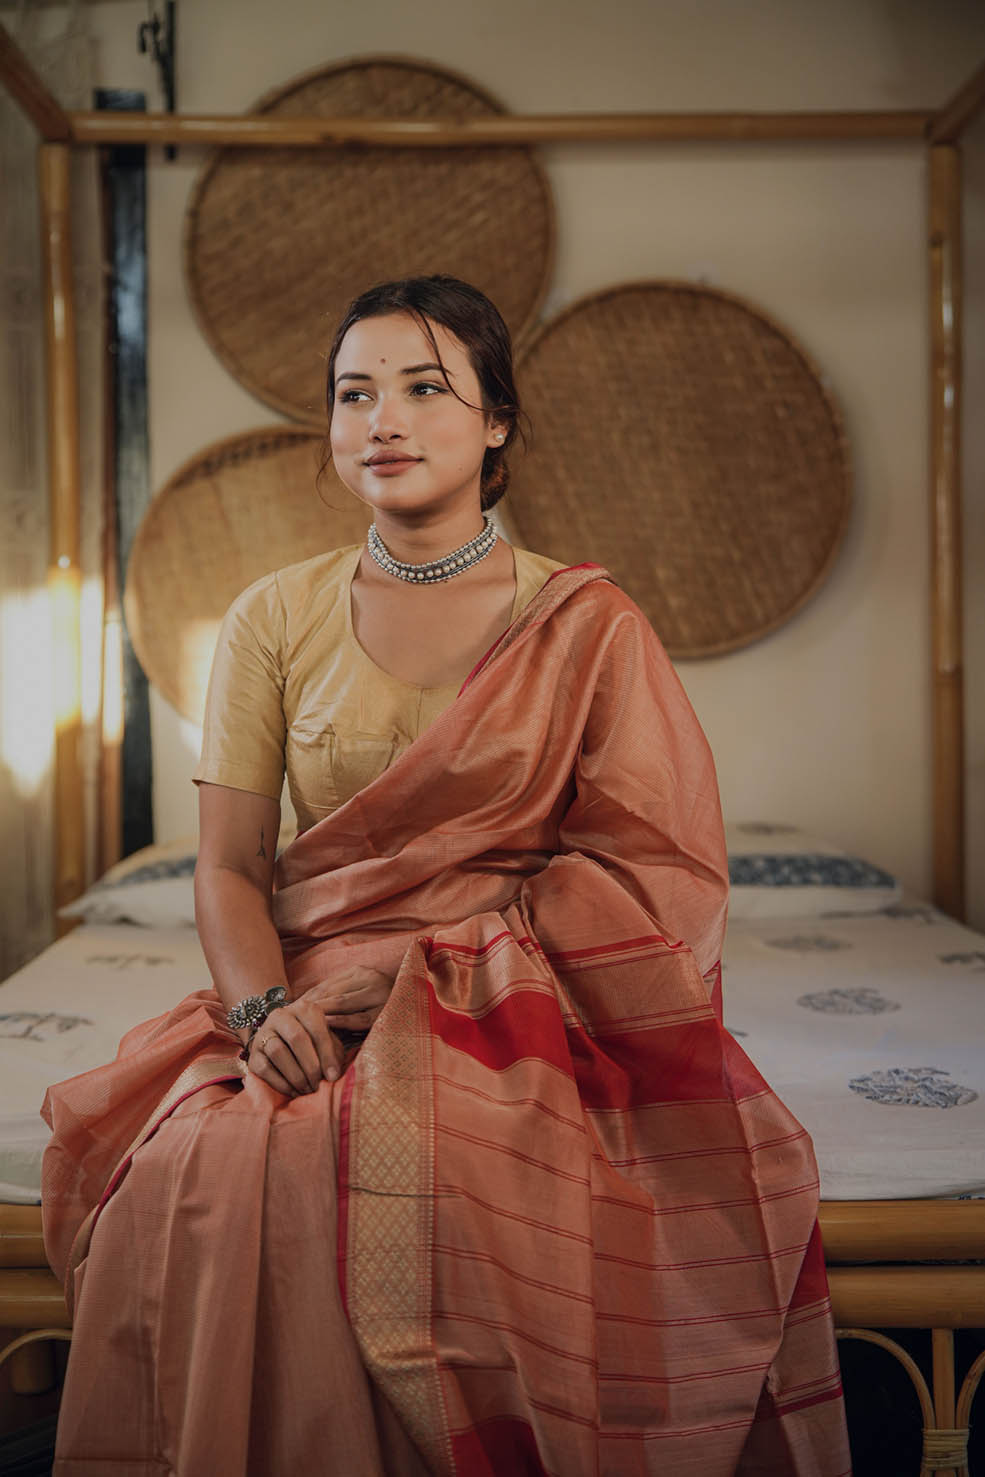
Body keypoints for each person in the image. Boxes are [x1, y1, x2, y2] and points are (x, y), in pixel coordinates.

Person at [42, 275, 850, 1474]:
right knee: (212, 1156)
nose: (384, 420)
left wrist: (425, 985)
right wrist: (265, 1014)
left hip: (527, 1001)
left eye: (425, 389)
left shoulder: (585, 623)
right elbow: (226, 863)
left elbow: (651, 875)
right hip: (303, 989)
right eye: (354, 393)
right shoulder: (273, 614)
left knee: (457, 1160)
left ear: (495, 421)